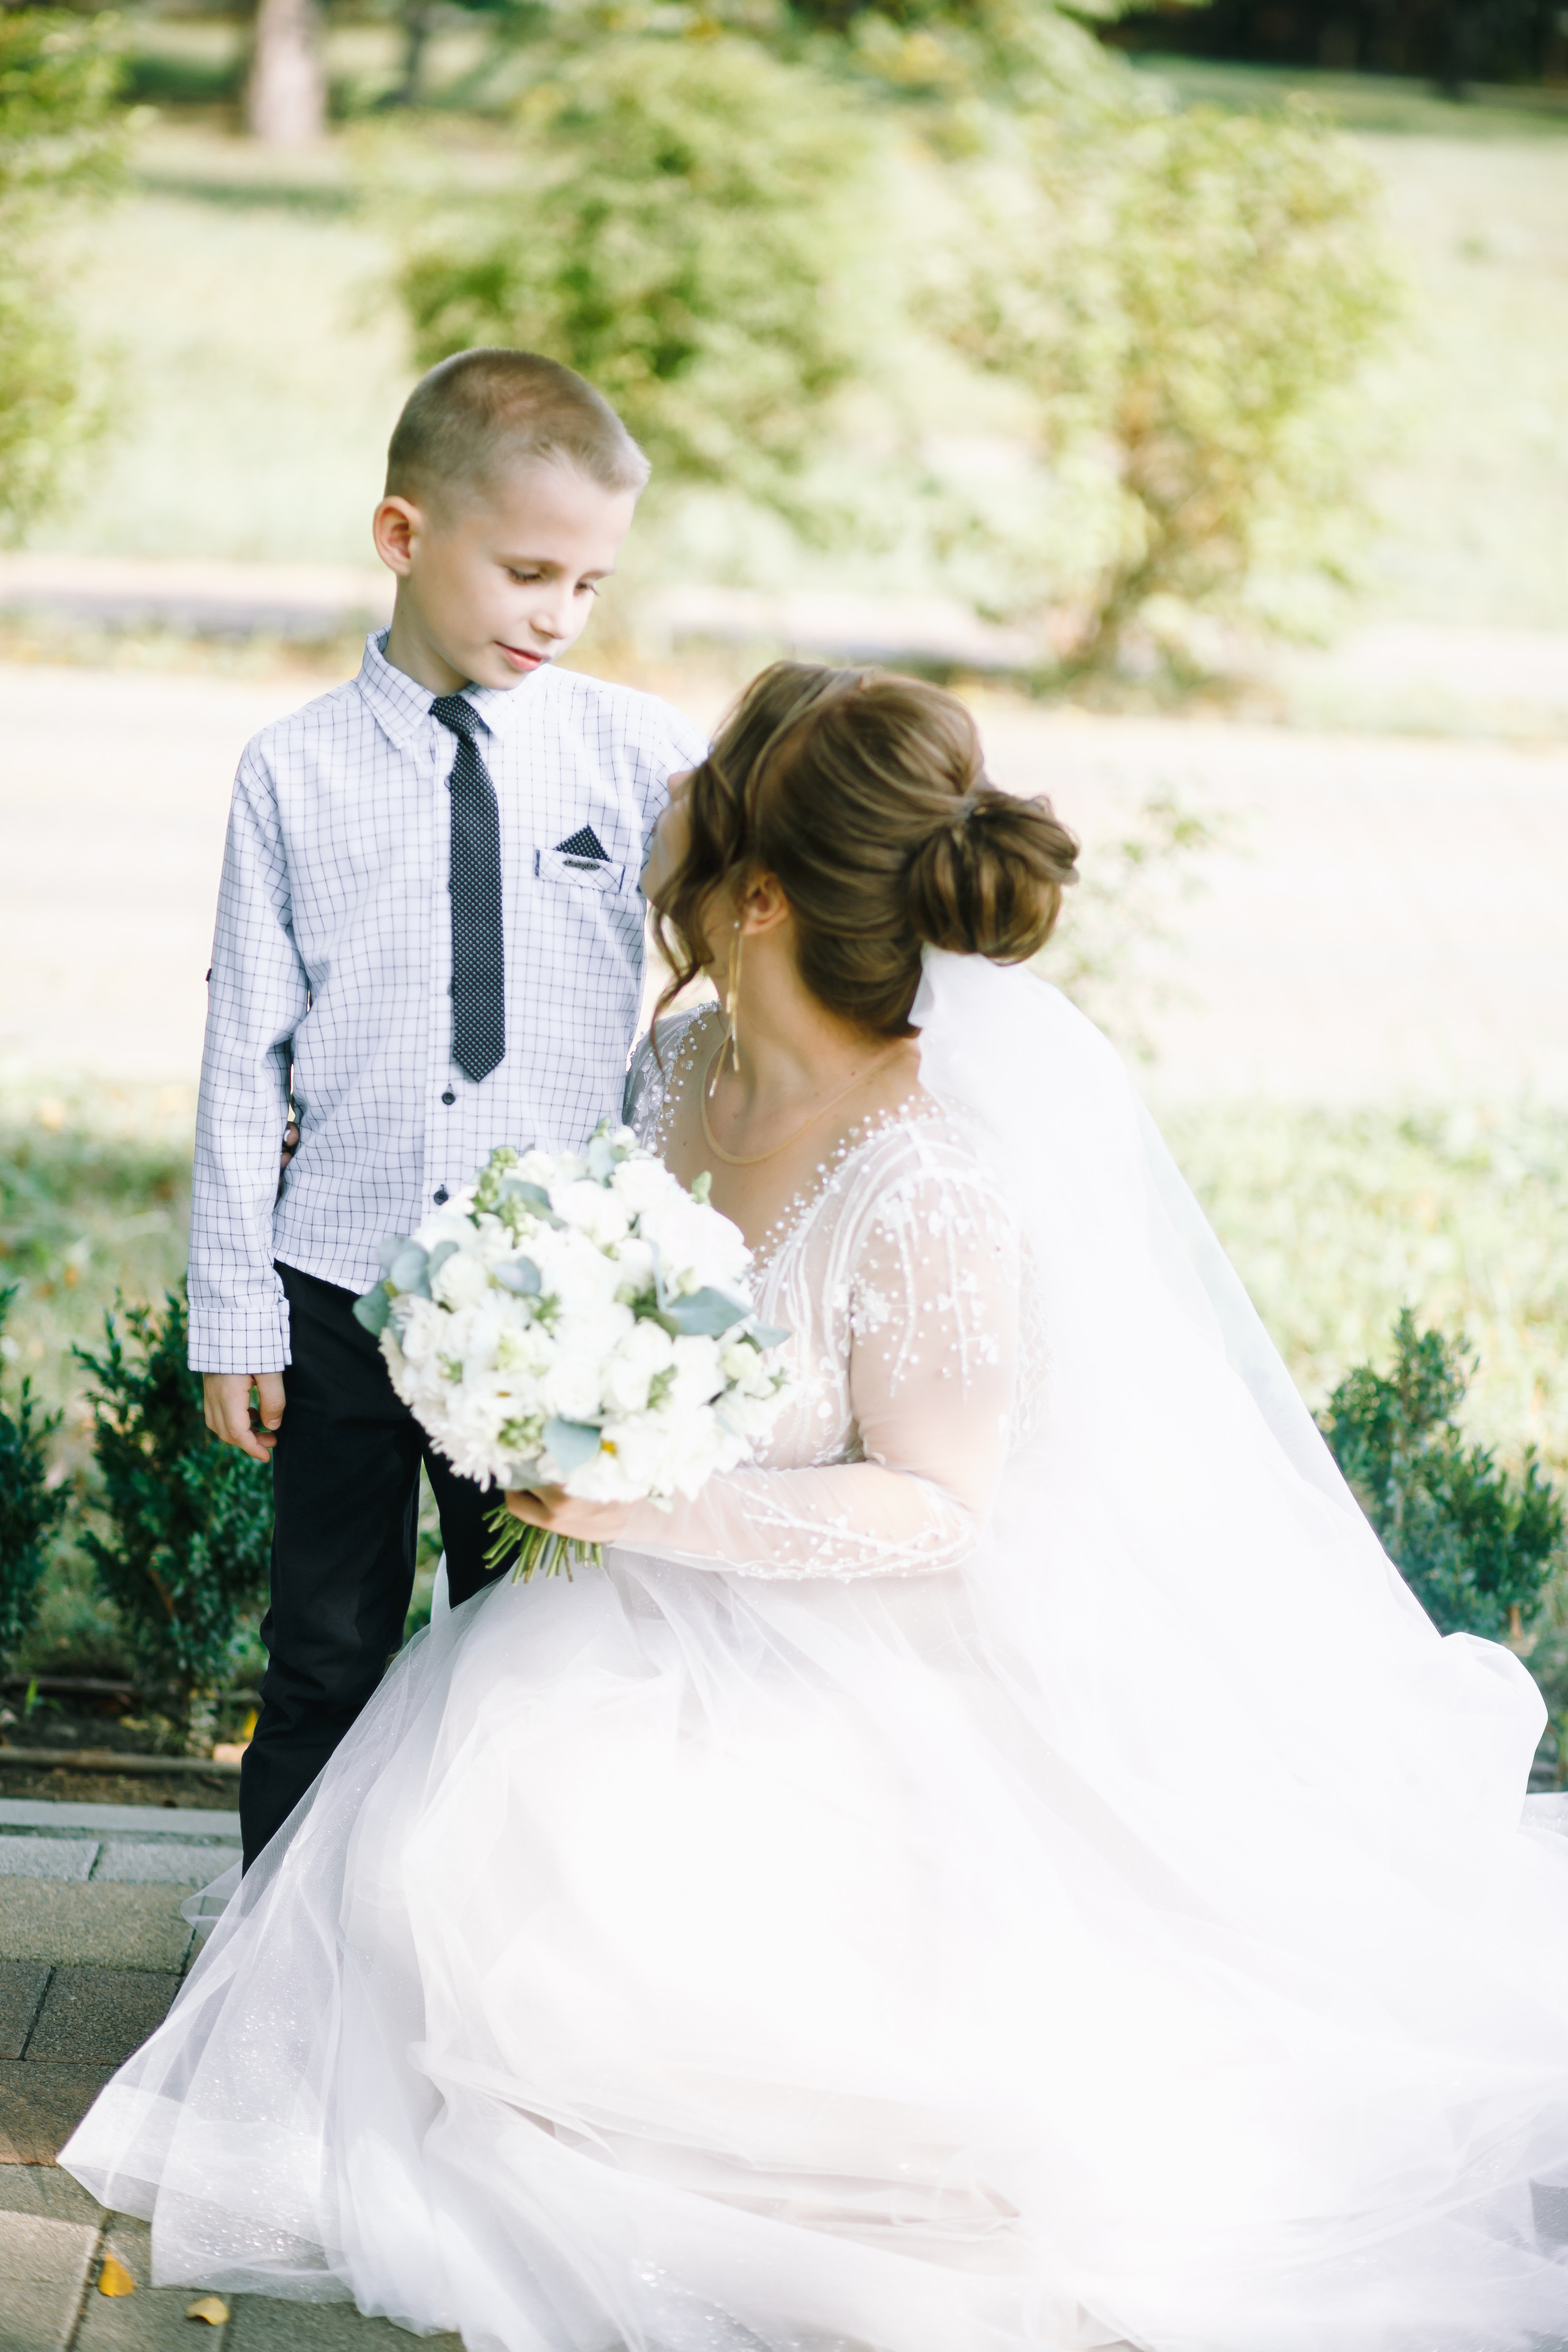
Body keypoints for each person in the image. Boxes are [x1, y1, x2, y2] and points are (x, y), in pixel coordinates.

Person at [66, 665, 1568, 2351]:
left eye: (701, 789)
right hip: (621, 1624)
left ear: (761, 893)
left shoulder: (928, 1176)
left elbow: (938, 1505)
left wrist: (654, 1506)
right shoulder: (681, 1055)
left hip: (858, 1667)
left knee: (673, 1984)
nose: (664, 807)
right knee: (446, 1877)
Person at [189, 347, 708, 1866]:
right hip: (339, 1287)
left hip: (551, 1314)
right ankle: (277, 1973)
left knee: (527, 1662)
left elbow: (745, 925)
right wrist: (235, 1310)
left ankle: (500, 1951)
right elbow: (241, 1057)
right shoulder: (291, 776)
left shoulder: (633, 754)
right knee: (326, 1649)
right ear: (405, 538)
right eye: (529, 570)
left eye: (590, 585)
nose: (557, 614)